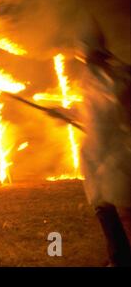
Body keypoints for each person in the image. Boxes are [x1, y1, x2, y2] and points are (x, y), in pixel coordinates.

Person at [51, 18, 131, 266]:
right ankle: (119, 258)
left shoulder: (119, 76)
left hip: (119, 154)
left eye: (83, 48)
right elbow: (88, 113)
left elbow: (114, 112)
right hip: (98, 156)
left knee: (125, 209)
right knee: (104, 208)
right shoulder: (90, 76)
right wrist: (64, 113)